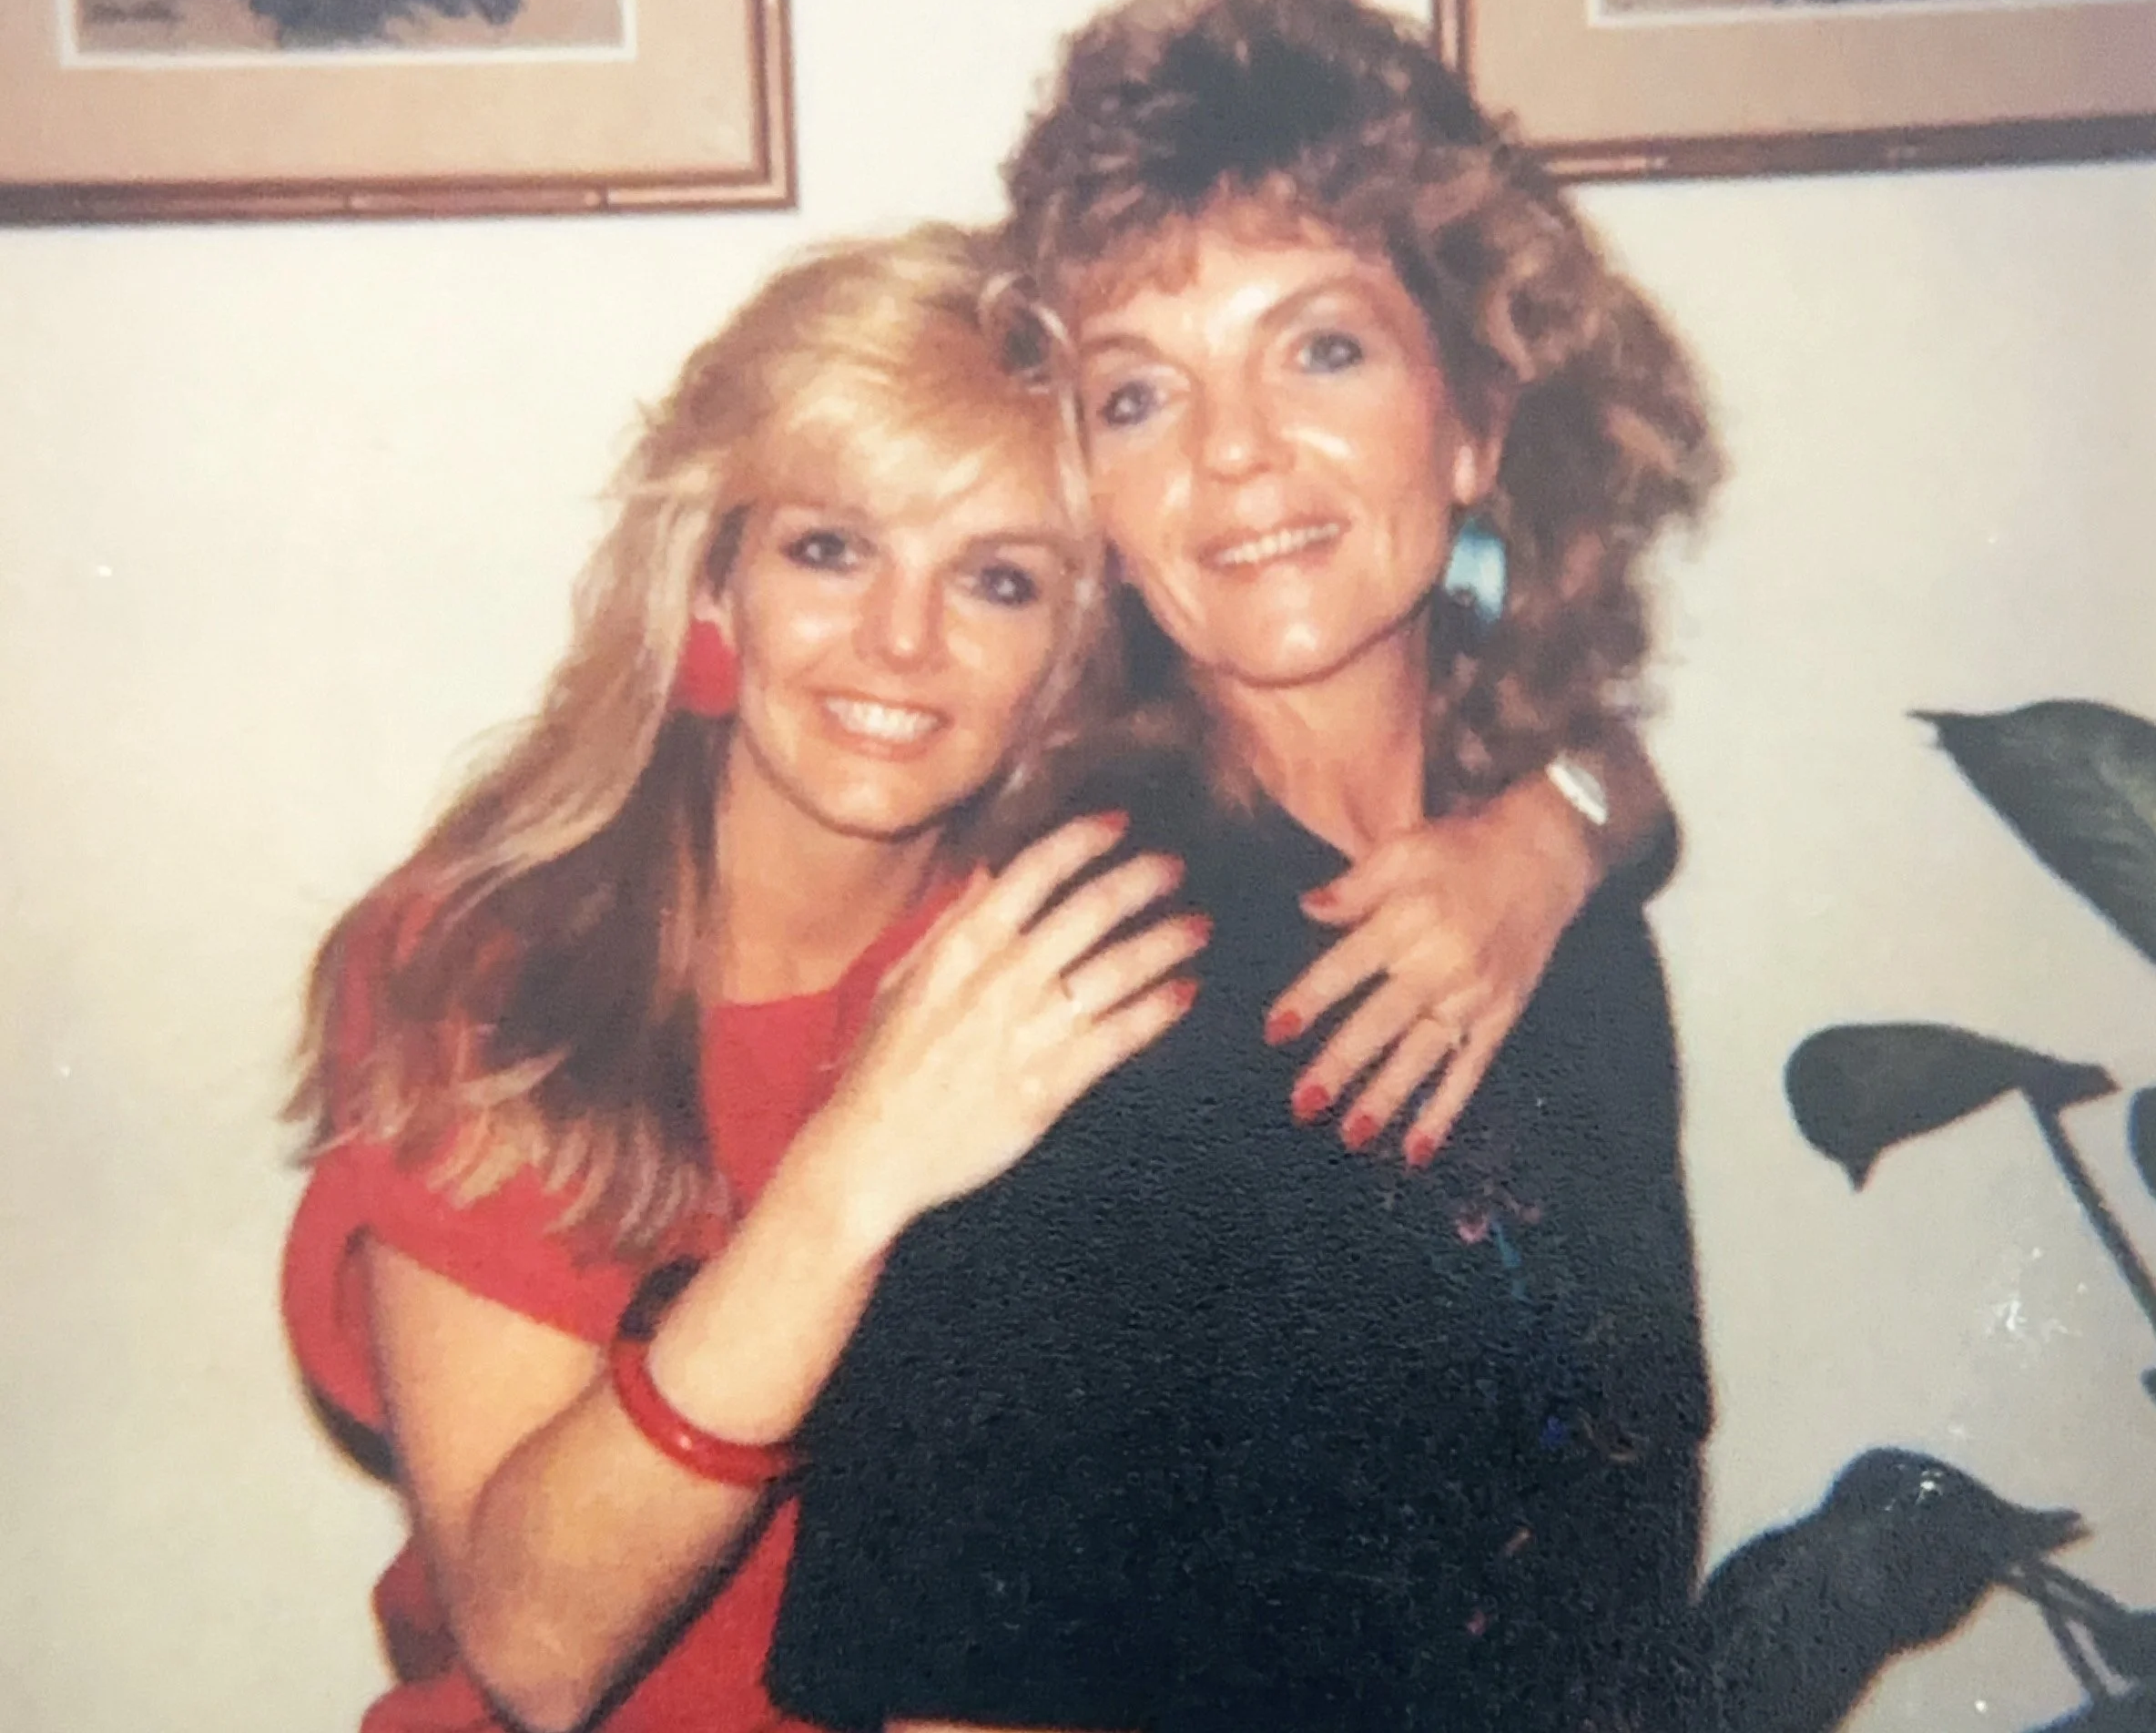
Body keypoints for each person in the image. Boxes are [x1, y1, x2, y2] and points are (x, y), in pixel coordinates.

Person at [281, 221, 1650, 1733]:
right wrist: (861, 1167)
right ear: (714, 587)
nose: (902, 641)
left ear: (1077, 636)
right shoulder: (501, 968)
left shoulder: (1058, 913)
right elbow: (538, 1651)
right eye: (831, 549)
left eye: (997, 580)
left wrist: (1566, 819)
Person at [768, 0, 1724, 1733]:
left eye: (1324, 349)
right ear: (1095, 501)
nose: (1234, 457)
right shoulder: (1090, 972)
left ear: (1477, 423)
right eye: (1140, 393)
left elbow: (1619, 1542)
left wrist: (1575, 822)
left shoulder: (1558, 901)